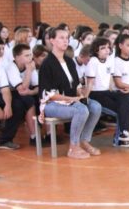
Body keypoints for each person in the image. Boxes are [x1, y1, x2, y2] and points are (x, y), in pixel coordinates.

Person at [37, 26, 102, 159]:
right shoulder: (47, 64)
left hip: (70, 101)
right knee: (81, 110)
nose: (65, 41)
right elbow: (48, 95)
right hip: (52, 104)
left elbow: (75, 84)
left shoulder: (69, 61)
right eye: (61, 38)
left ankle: (84, 141)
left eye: (67, 38)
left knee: (95, 106)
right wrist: (71, 99)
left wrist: (81, 93)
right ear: (52, 40)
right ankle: (73, 146)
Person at [86, 38, 129, 148]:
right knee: (119, 109)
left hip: (107, 91)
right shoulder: (93, 61)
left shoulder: (109, 61)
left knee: (125, 96)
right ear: (96, 50)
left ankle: (124, 132)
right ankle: (120, 136)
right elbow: (90, 83)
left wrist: (117, 91)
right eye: (103, 48)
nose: (106, 50)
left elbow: (110, 80)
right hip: (96, 94)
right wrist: (85, 99)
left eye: (108, 47)